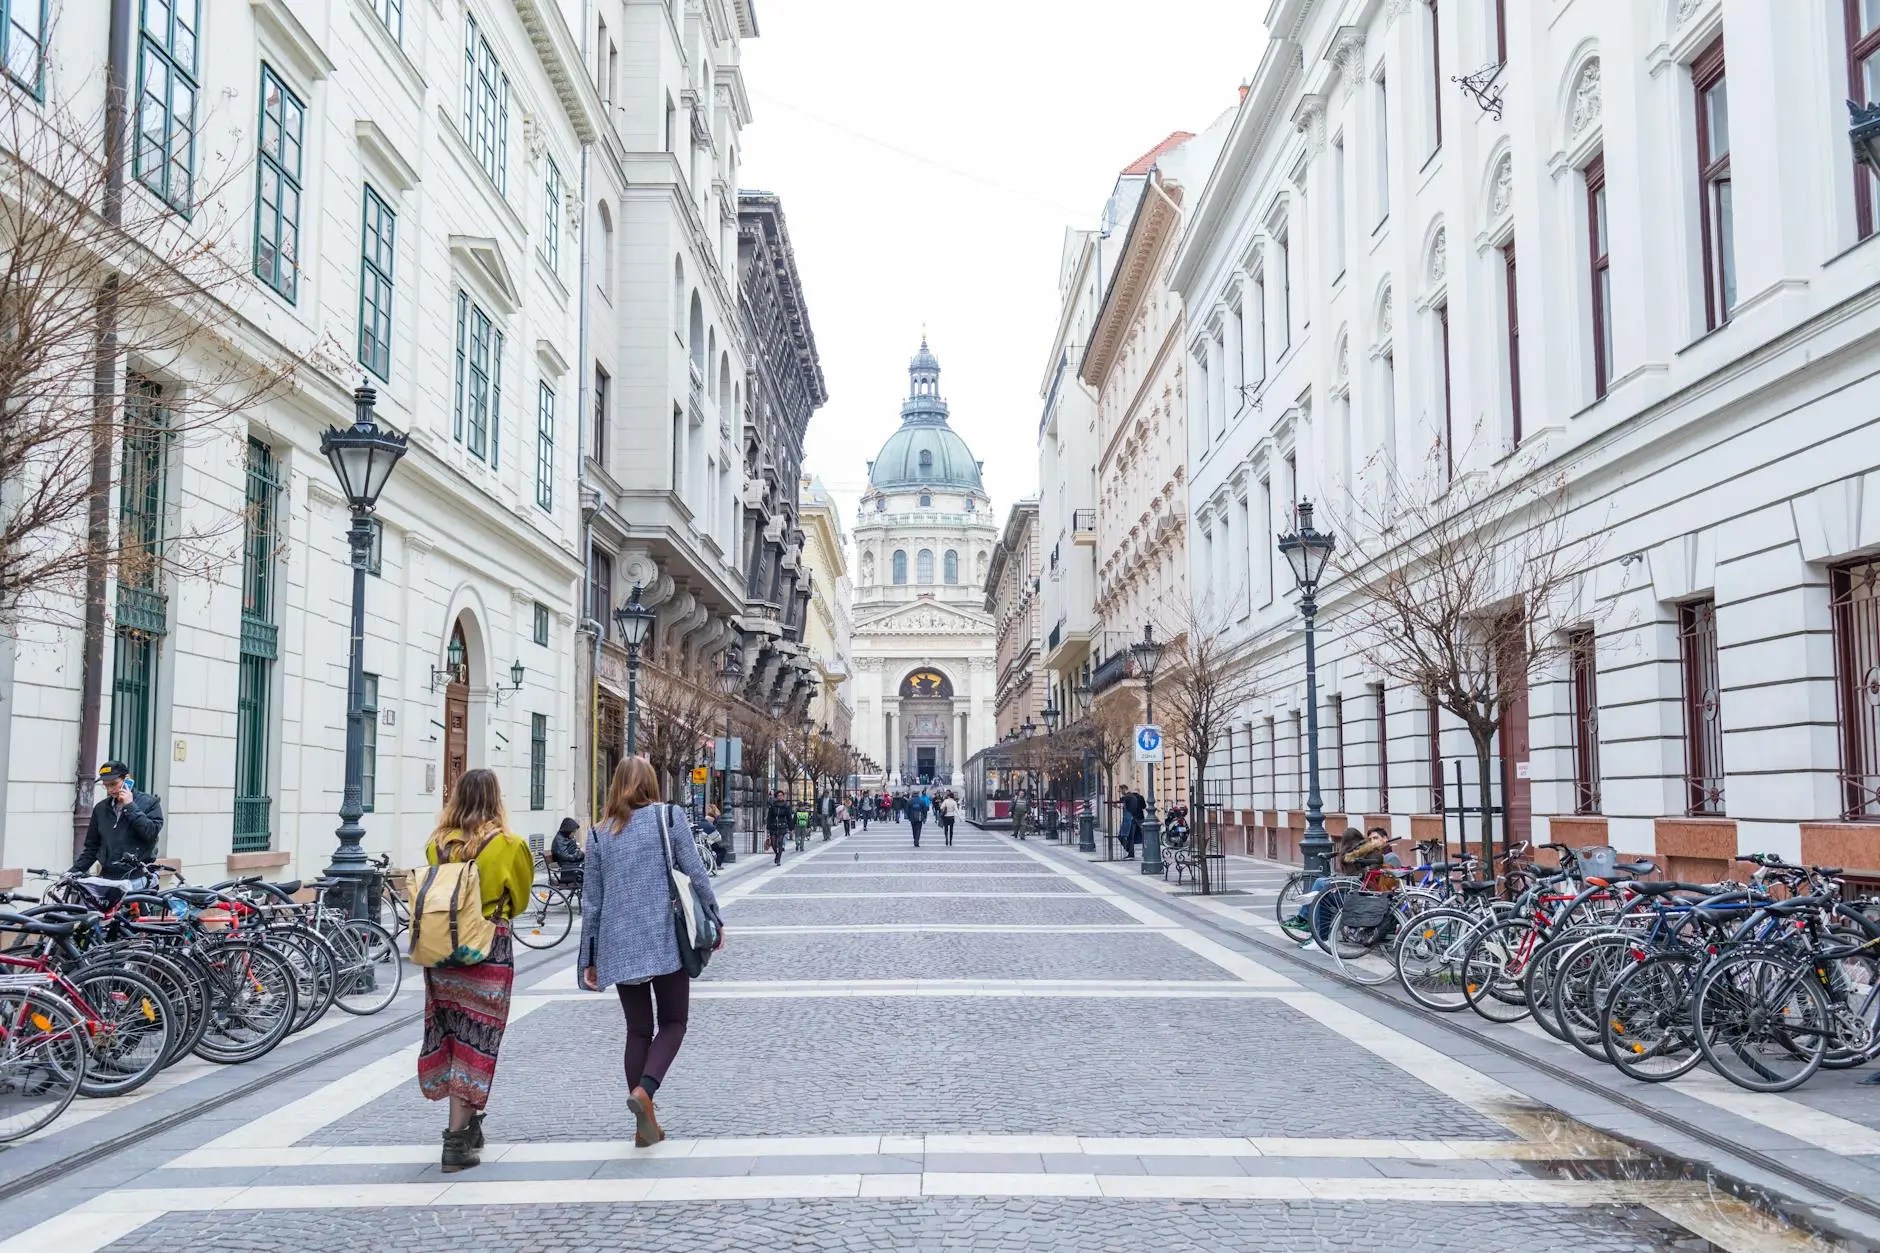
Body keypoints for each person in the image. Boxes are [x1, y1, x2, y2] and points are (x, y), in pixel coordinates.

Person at [580, 756, 724, 1149]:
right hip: (664, 935)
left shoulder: (597, 835)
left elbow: (591, 902)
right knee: (674, 1022)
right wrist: (714, 919)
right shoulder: (669, 817)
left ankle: (645, 1123)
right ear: (652, 783)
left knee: (638, 1029)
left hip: (618, 941)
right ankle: (645, 1092)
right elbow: (695, 872)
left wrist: (588, 959)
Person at [417, 768, 535, 1174]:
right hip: (487, 952)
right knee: (478, 1041)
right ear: (495, 799)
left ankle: (469, 1128)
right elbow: (517, 902)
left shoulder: (436, 845)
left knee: (452, 1037)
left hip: (442, 958)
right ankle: (455, 1141)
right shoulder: (509, 844)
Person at [71, 761, 164, 879]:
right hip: (108, 876)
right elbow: (92, 847)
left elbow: (150, 832)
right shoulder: (101, 808)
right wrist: (73, 872)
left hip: (138, 877)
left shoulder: (150, 803)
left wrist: (130, 806)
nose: (110, 790)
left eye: (114, 784)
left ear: (127, 779)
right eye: (106, 785)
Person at [548, 817, 585, 886]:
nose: (574, 834)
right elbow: (566, 856)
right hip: (567, 866)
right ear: (567, 831)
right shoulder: (560, 840)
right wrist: (581, 853)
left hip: (570, 863)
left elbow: (572, 851)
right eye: (573, 832)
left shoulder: (566, 838)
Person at [765, 789, 794, 865]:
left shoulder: (786, 806)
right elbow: (769, 817)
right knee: (774, 843)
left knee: (780, 842)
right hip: (773, 826)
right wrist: (768, 827)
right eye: (779, 795)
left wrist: (791, 828)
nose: (780, 797)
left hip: (782, 826)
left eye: (781, 795)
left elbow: (789, 817)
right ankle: (777, 854)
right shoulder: (773, 805)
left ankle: (778, 859)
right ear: (776, 797)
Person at [1118, 786, 1146, 860]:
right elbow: (1144, 806)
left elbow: (1120, 801)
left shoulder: (1128, 797)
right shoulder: (1140, 797)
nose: (1120, 792)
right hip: (1140, 818)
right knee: (1143, 836)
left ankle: (1130, 851)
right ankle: (1144, 852)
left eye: (1120, 790)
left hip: (1132, 819)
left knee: (1128, 836)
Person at [705, 803, 732, 870]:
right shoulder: (711, 819)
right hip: (710, 841)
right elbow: (715, 834)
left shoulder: (707, 818)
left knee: (720, 848)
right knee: (723, 850)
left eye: (708, 808)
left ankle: (715, 863)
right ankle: (717, 864)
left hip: (707, 840)